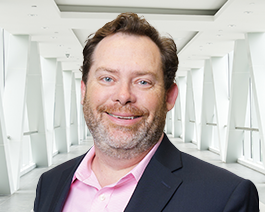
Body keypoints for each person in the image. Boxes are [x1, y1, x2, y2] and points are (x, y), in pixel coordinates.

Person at [33, 12, 259, 212]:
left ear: (169, 97)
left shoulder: (224, 197)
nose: (123, 95)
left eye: (143, 82)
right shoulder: (50, 184)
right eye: (107, 78)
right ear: (83, 91)